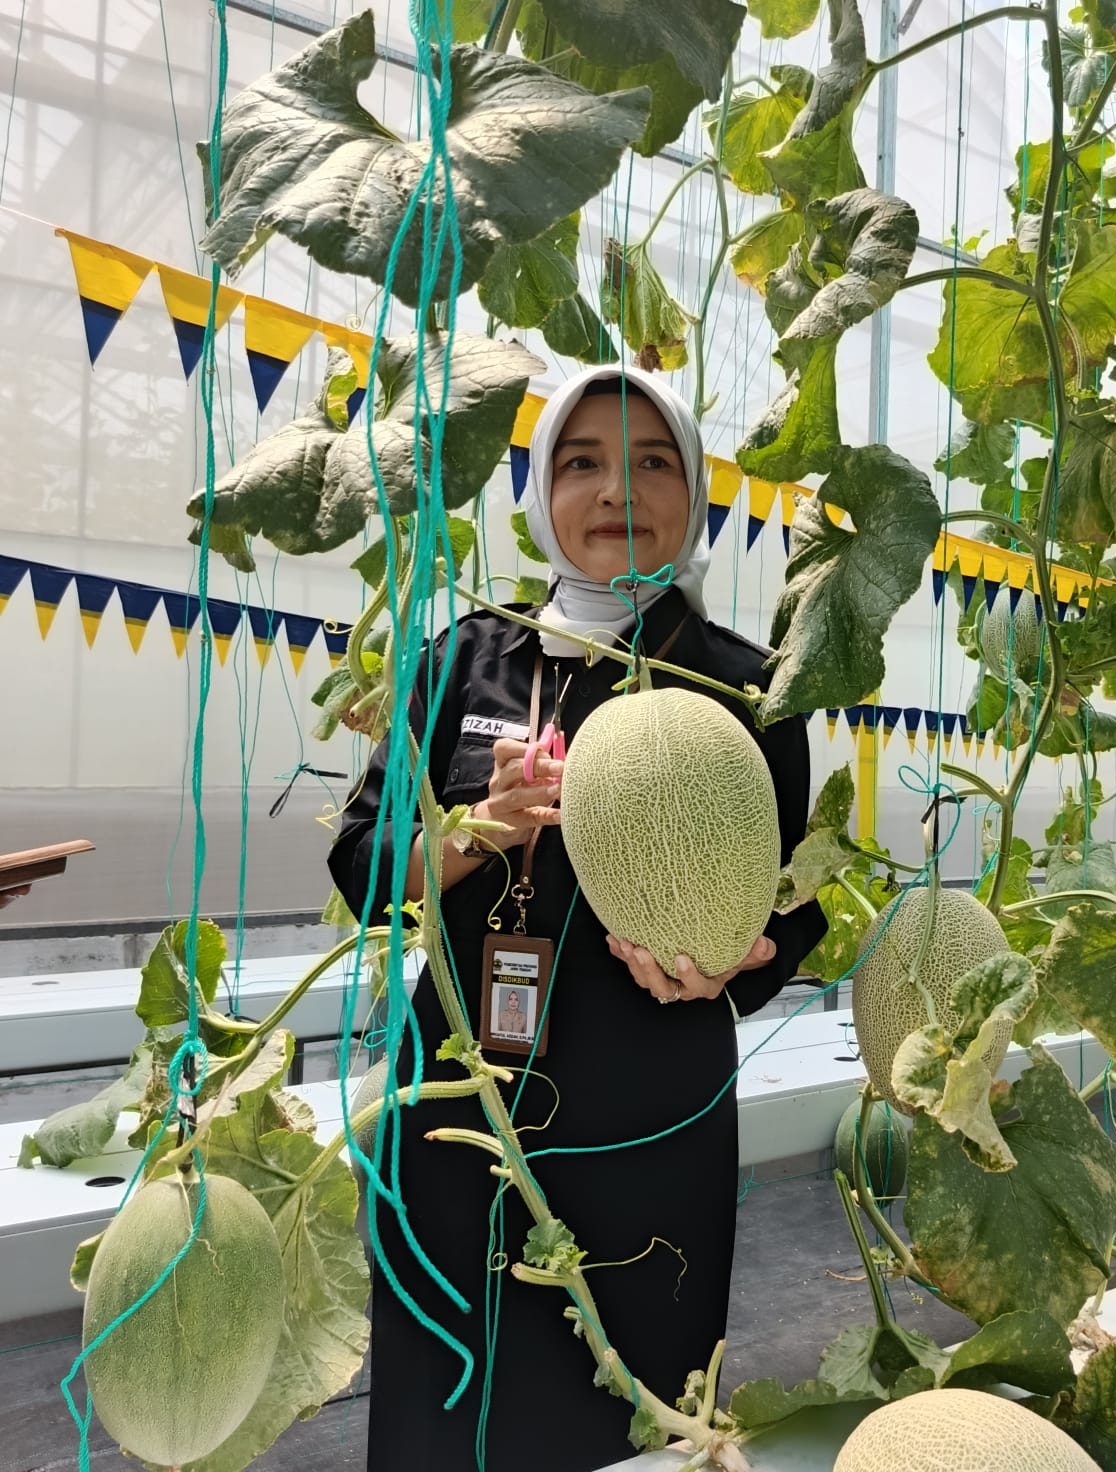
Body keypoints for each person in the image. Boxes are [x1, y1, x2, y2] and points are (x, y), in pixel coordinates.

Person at [328, 363, 827, 1472]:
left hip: (649, 1112)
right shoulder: (465, 657)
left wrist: (734, 964)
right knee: (438, 1401)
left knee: (626, 1403)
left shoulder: (749, 689)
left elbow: (791, 905)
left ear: (694, 488)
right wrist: (475, 829)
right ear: (541, 489)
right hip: (458, 1102)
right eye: (582, 462)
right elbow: (364, 864)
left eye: (653, 462)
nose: (617, 491)